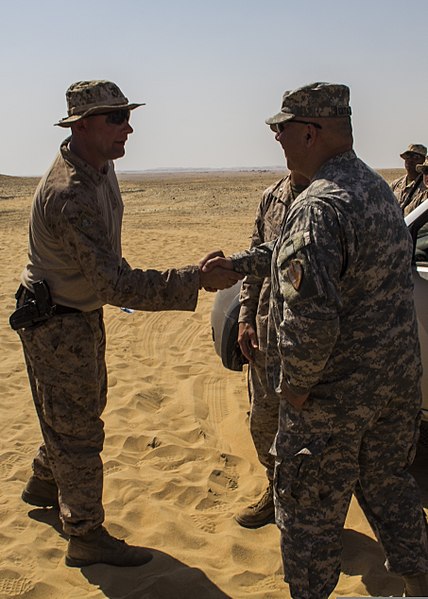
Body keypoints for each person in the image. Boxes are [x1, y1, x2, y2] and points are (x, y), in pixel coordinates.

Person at [202, 82, 428, 598]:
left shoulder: (318, 204)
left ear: (310, 132)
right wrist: (238, 265)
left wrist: (297, 389)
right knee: (391, 488)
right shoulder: (375, 190)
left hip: (333, 397)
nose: (277, 140)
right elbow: (299, 254)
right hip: (392, 389)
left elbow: (311, 315)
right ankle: (419, 584)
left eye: (282, 130)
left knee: (307, 516)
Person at [11, 80, 242, 569]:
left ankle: (42, 481)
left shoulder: (100, 166)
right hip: (57, 323)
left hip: (78, 312)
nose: (128, 127)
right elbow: (115, 285)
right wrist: (193, 280)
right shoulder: (70, 194)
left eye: (126, 115)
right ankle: (86, 537)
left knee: (78, 410)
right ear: (82, 125)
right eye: (115, 118)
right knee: (78, 432)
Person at [235, 170, 309, 529]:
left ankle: (306, 509)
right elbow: (253, 264)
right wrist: (245, 317)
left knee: (309, 430)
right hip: (267, 331)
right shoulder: (272, 197)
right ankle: (275, 490)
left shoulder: (328, 195)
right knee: (263, 422)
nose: (280, 139)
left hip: (312, 340)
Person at [390, 143, 427, 214]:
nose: (410, 160)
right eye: (408, 156)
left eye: (416, 157)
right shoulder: (396, 184)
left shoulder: (425, 186)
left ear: (423, 161)